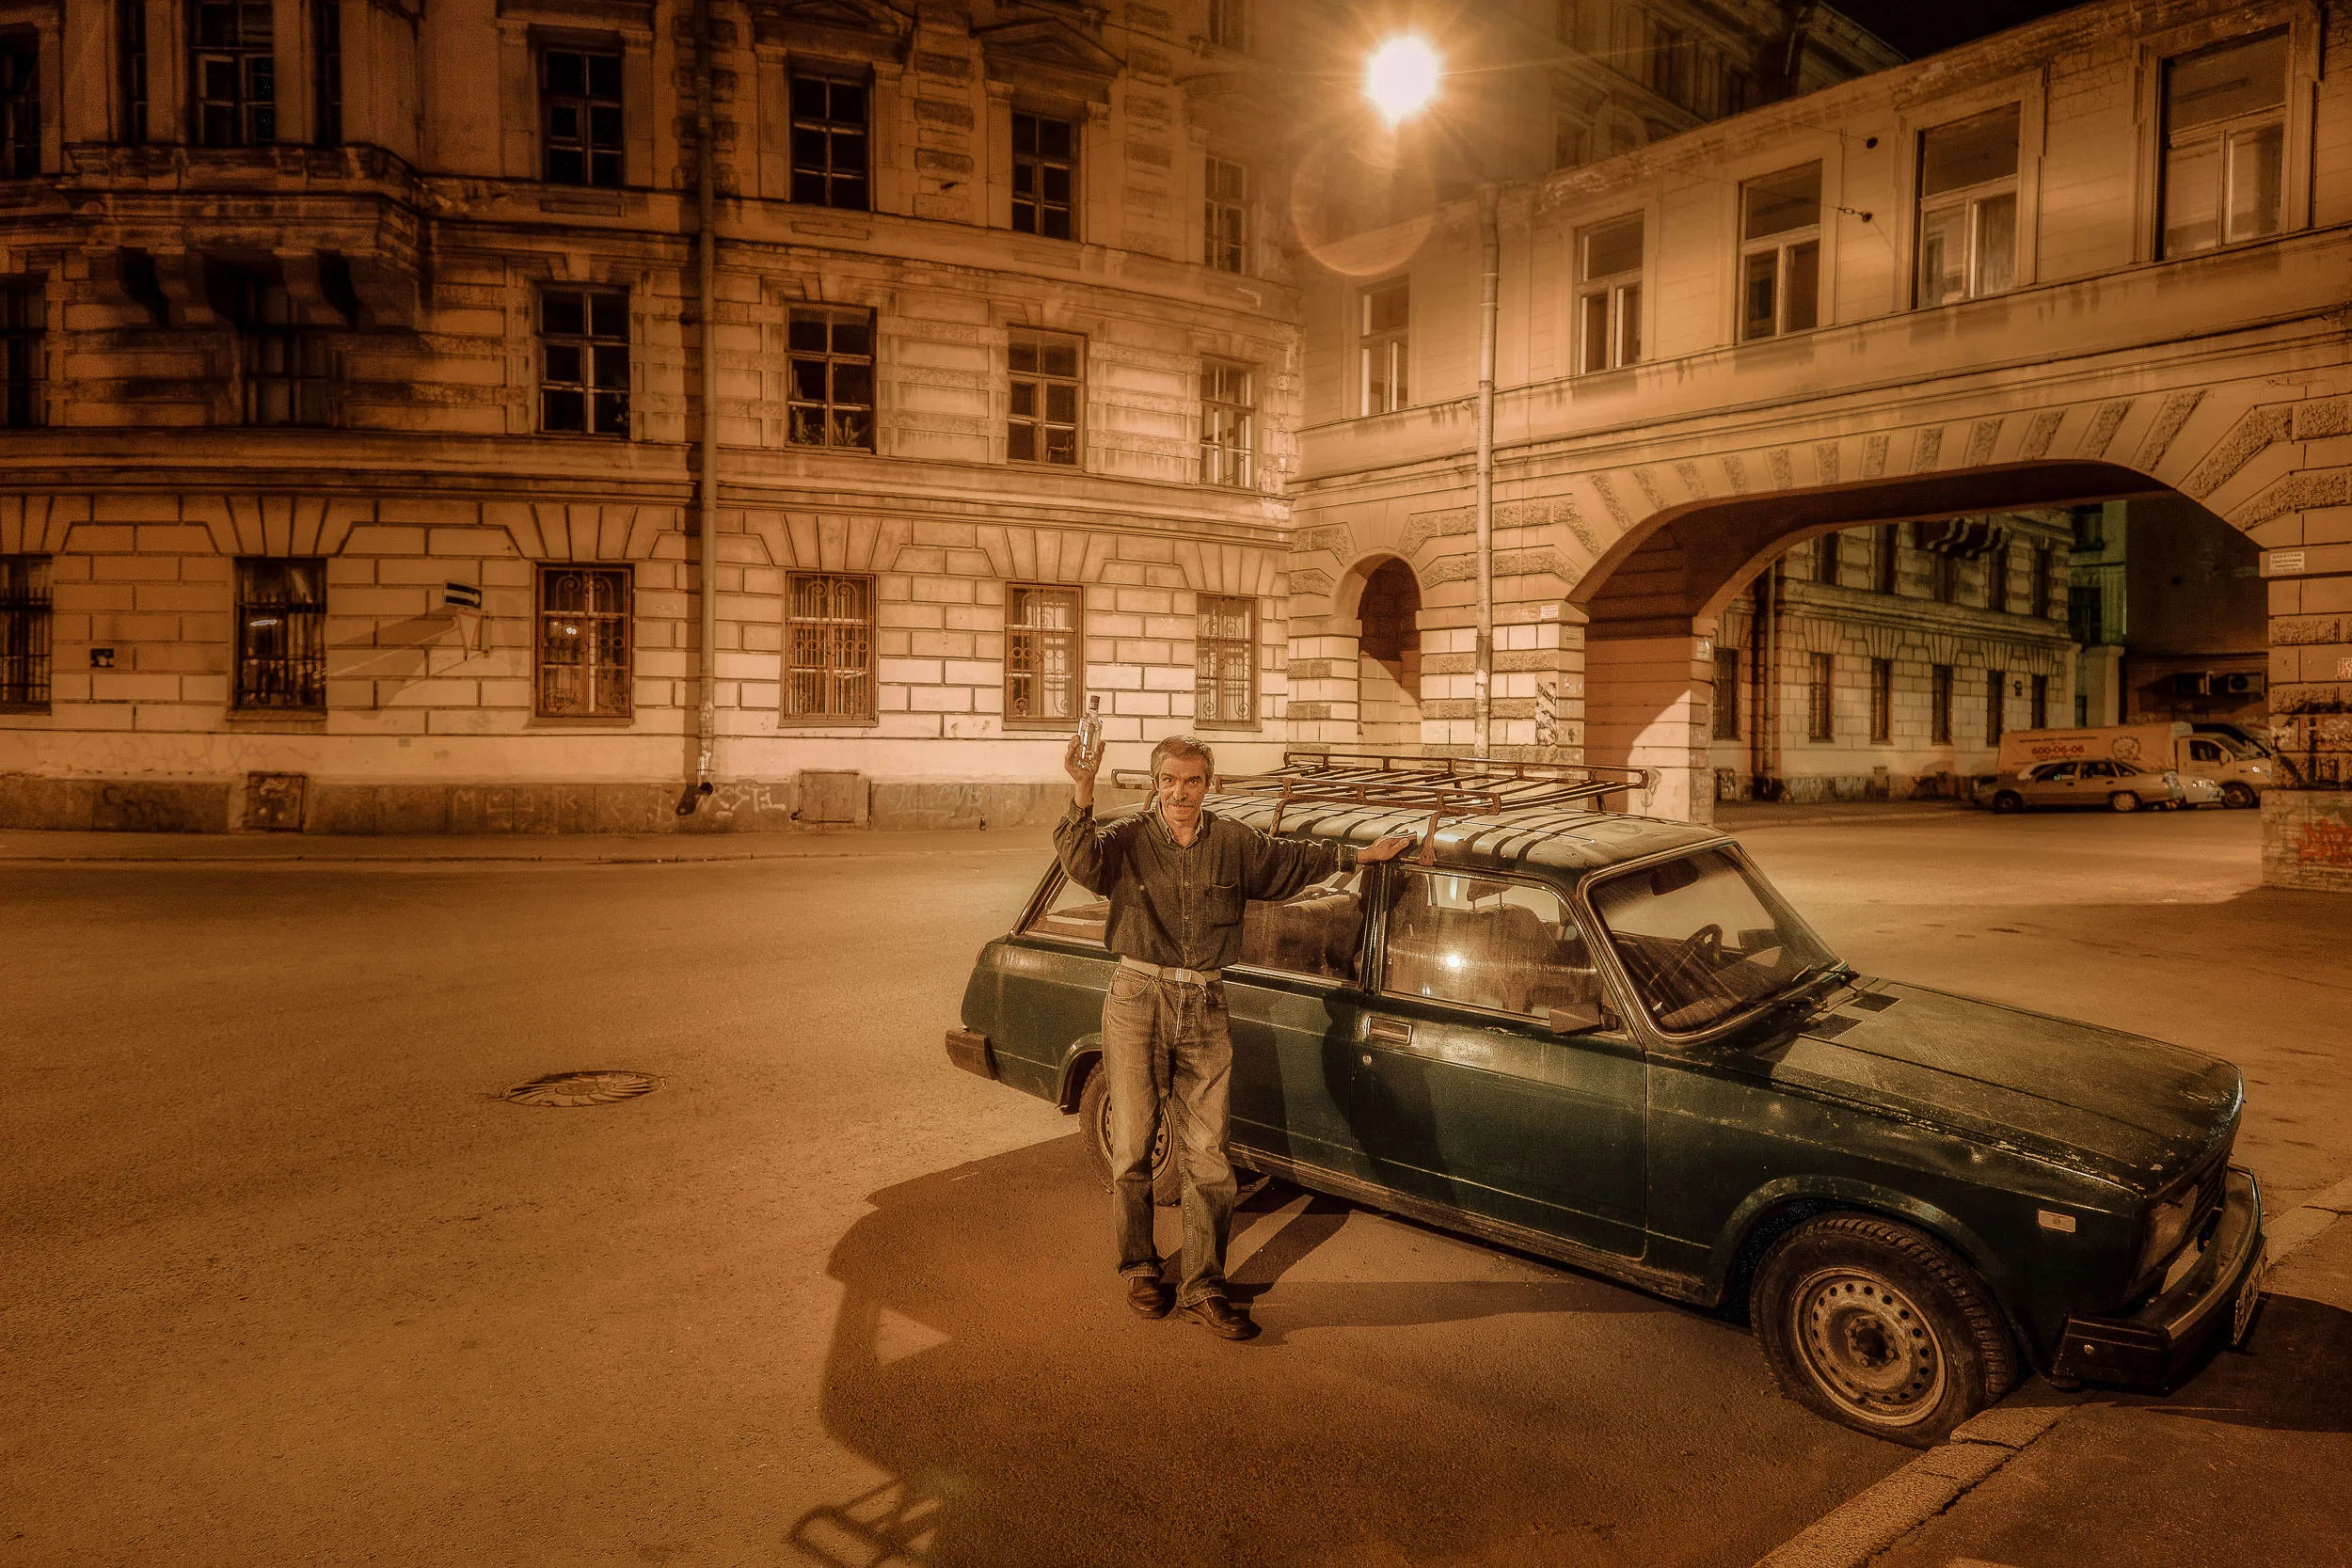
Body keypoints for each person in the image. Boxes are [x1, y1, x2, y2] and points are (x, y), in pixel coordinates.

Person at [1055, 732, 1413, 1340]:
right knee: (1135, 1142)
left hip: (1205, 1001)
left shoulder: (1233, 843)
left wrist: (1360, 857)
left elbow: (1289, 863)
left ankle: (1203, 1284)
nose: (1180, 791)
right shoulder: (1130, 841)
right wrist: (1082, 787)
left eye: (1191, 780)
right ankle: (1140, 1265)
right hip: (1137, 999)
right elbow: (1081, 860)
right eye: (1169, 780)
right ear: (1155, 783)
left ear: (1206, 784)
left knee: (1209, 1155)